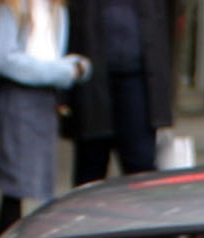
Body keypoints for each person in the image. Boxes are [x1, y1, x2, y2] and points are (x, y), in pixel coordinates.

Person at [0, 0, 90, 236]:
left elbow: (57, 55)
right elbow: (4, 60)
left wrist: (74, 69)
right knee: (14, 186)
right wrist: (61, 71)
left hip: (46, 102)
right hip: (17, 100)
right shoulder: (11, 8)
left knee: (43, 187)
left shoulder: (57, 10)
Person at [69, 0, 175, 181]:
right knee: (91, 164)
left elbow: (166, 26)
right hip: (92, 80)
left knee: (140, 165)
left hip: (138, 80)